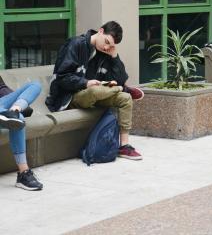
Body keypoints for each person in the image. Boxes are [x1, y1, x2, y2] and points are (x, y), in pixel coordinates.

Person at [45, 21, 143, 160]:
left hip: (94, 95)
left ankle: (124, 146)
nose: (106, 46)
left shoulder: (105, 53)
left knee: (125, 99)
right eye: (107, 41)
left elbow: (120, 77)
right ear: (101, 31)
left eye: (111, 46)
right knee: (95, 91)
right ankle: (123, 90)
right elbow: (62, 77)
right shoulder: (76, 44)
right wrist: (85, 83)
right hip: (69, 97)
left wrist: (114, 56)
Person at [0, 78, 43, 190]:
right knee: (19, 119)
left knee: (35, 84)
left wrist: (14, 104)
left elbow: (2, 88)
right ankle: (24, 172)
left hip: (2, 104)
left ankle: (14, 111)